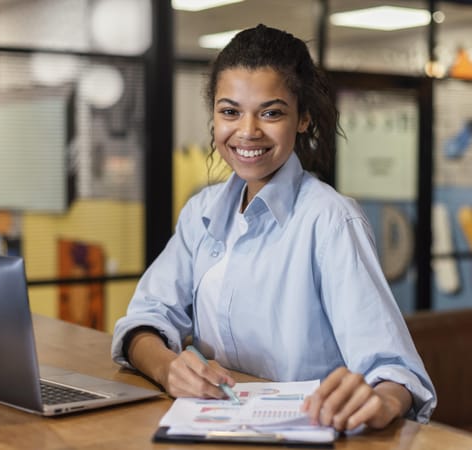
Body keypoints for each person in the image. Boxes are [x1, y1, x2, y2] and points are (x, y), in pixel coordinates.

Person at [111, 24, 436, 431]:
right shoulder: (202, 213)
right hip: (215, 427)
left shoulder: (330, 220)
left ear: (302, 119)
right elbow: (143, 320)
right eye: (230, 111)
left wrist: (380, 399)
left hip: (308, 433)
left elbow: (396, 373)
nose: (248, 131)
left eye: (271, 112)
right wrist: (168, 368)